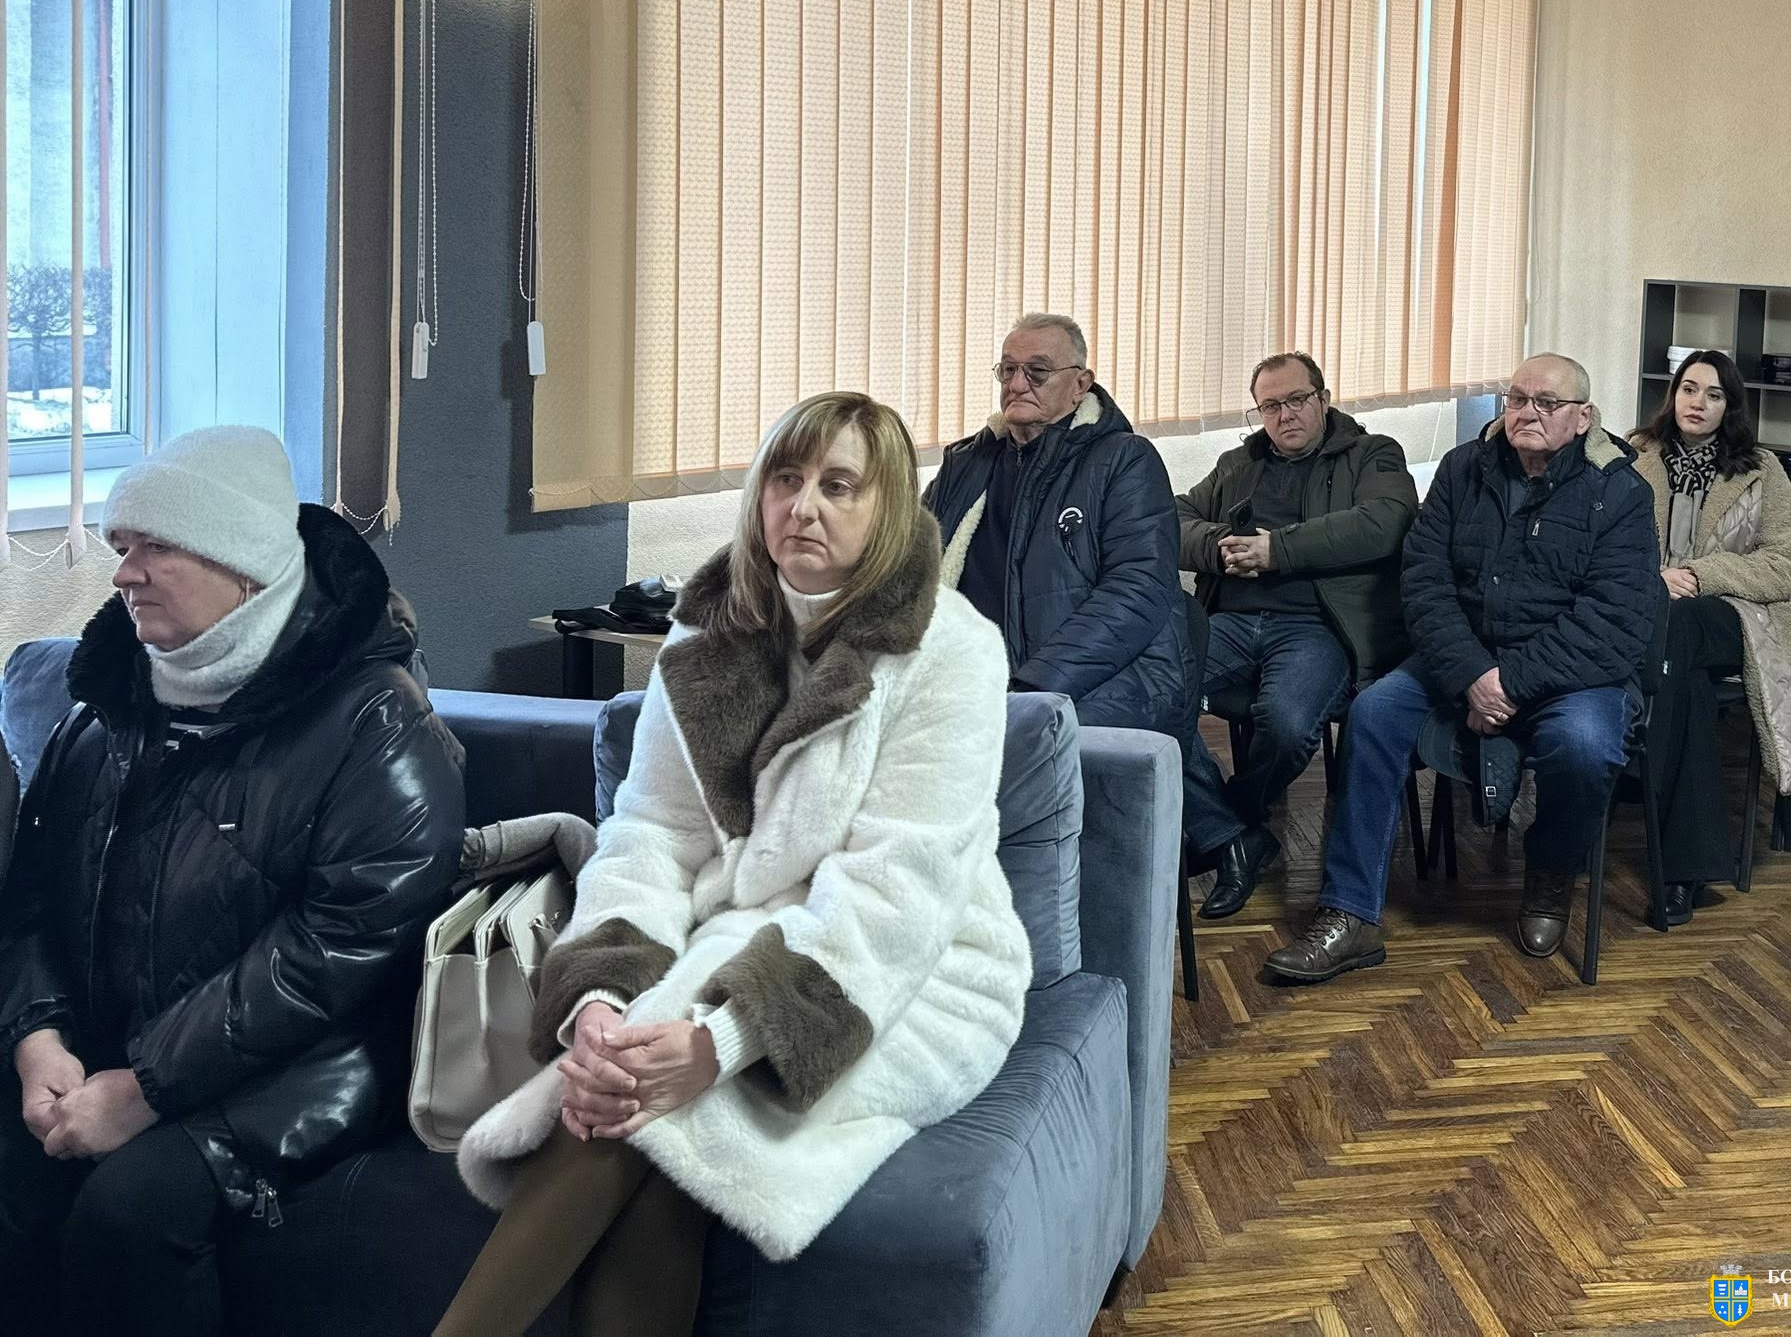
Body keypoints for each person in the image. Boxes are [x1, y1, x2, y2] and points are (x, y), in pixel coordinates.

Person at [442, 393, 1030, 1336]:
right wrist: (598, 999)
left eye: (839, 485)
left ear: (886, 508)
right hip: (739, 940)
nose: (804, 506)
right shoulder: (705, 635)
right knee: (636, 1088)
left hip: (918, 973)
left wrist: (723, 1042)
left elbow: (896, 895)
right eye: (786, 479)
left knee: (659, 1109)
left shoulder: (950, 649)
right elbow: (650, 833)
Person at [0, 427, 466, 1337]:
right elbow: (33, 902)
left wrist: (144, 1089)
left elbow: (336, 951)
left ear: (243, 565)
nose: (124, 573)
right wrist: (37, 1040)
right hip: (104, 1044)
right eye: (122, 546)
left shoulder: (376, 720)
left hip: (301, 1068)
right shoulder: (103, 708)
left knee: (127, 1213)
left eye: (155, 547)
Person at [1266, 355, 1659, 984]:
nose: (1527, 413)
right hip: (1464, 657)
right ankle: (1350, 913)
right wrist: (1473, 674)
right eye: (1517, 399)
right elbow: (1424, 583)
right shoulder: (1462, 469)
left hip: (1573, 672)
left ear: (1583, 418)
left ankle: (1551, 875)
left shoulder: (1620, 492)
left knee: (1585, 746)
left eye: (1547, 403)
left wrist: (1508, 684)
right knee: (1373, 713)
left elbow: (1611, 620)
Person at [1175, 351, 1417, 917]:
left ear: (1323, 400)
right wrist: (1217, 546)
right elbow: (1170, 518)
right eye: (1270, 406)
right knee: (1146, 693)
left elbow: (1386, 522)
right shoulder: (1238, 464)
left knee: (1286, 724)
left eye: (1297, 400)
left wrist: (1276, 550)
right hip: (1232, 621)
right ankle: (1234, 836)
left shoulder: (1373, 454)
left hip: (1319, 627)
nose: (1285, 415)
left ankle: (1231, 821)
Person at [924, 314, 1196, 736]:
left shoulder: (1125, 459)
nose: (1017, 384)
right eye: (1008, 370)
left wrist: (1029, 690)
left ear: (1080, 384)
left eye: (1037, 371)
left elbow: (1137, 589)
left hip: (1098, 682)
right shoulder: (966, 464)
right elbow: (908, 566)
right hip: (975, 684)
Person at [1629, 350, 1791, 923]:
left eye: (1714, 395)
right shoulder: (1636, 457)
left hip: (1732, 617)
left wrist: (1699, 576)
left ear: (1729, 407)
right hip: (1649, 615)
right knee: (1684, 684)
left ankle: (1629, 780)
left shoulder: (1761, 469)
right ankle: (1682, 872)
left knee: (1683, 626)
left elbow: (1785, 565)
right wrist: (1654, 581)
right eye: (1689, 389)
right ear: (1673, 395)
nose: (1698, 403)